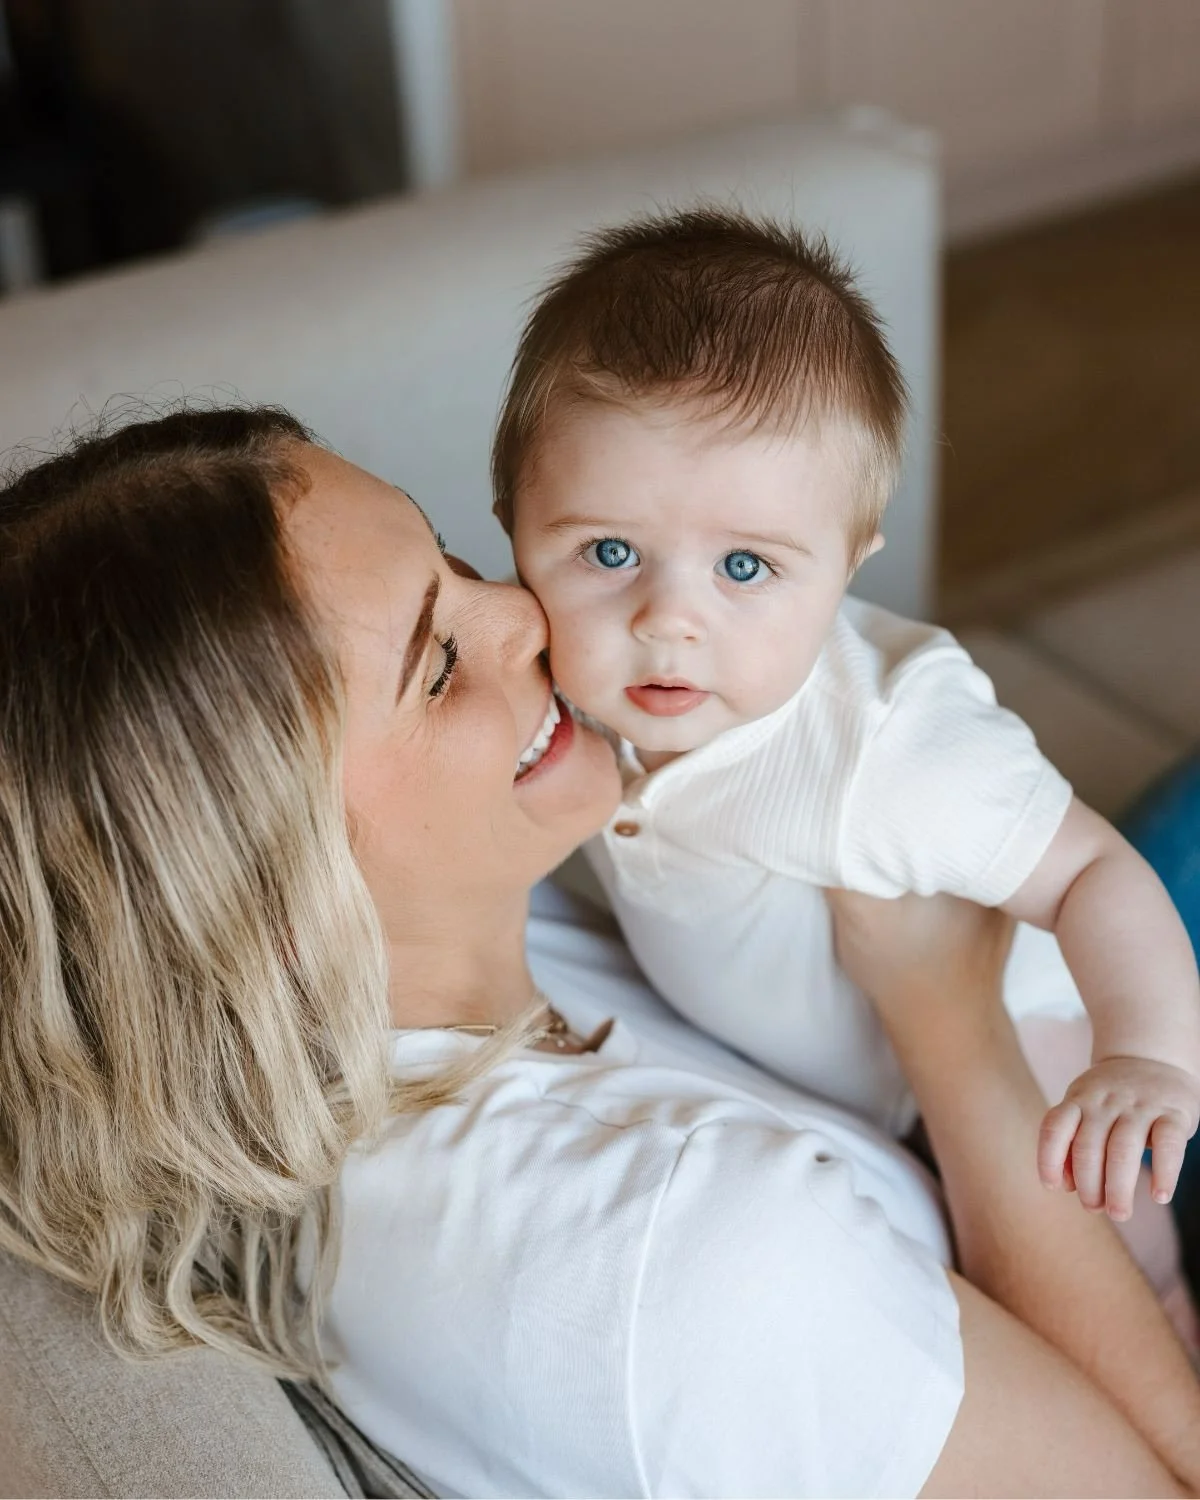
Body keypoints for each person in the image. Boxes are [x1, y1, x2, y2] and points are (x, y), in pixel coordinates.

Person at [2, 405, 1200, 1498]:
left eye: (455, 561)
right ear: (260, 893)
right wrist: (949, 1011)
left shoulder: (412, 977)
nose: (527, 613)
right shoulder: (690, 1269)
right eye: (437, 667)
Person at [497, 205, 1200, 1221]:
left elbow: (1092, 871)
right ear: (514, 528)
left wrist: (1143, 1057)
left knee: (1113, 1219)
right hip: (855, 1090)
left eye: (746, 567)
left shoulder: (887, 747)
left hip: (1027, 1045)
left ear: (846, 565)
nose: (667, 622)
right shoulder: (544, 669)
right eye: (609, 552)